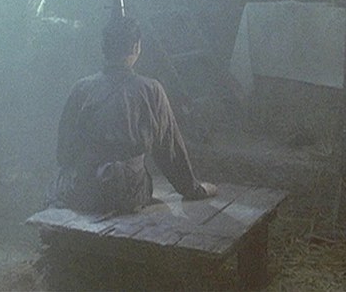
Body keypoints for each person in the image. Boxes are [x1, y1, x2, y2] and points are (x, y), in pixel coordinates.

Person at [46, 15, 217, 213]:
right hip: (127, 194)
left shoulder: (81, 89)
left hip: (85, 193)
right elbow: (170, 152)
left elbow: (64, 152)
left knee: (59, 185)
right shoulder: (151, 90)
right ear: (136, 47)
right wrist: (193, 189)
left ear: (104, 47)